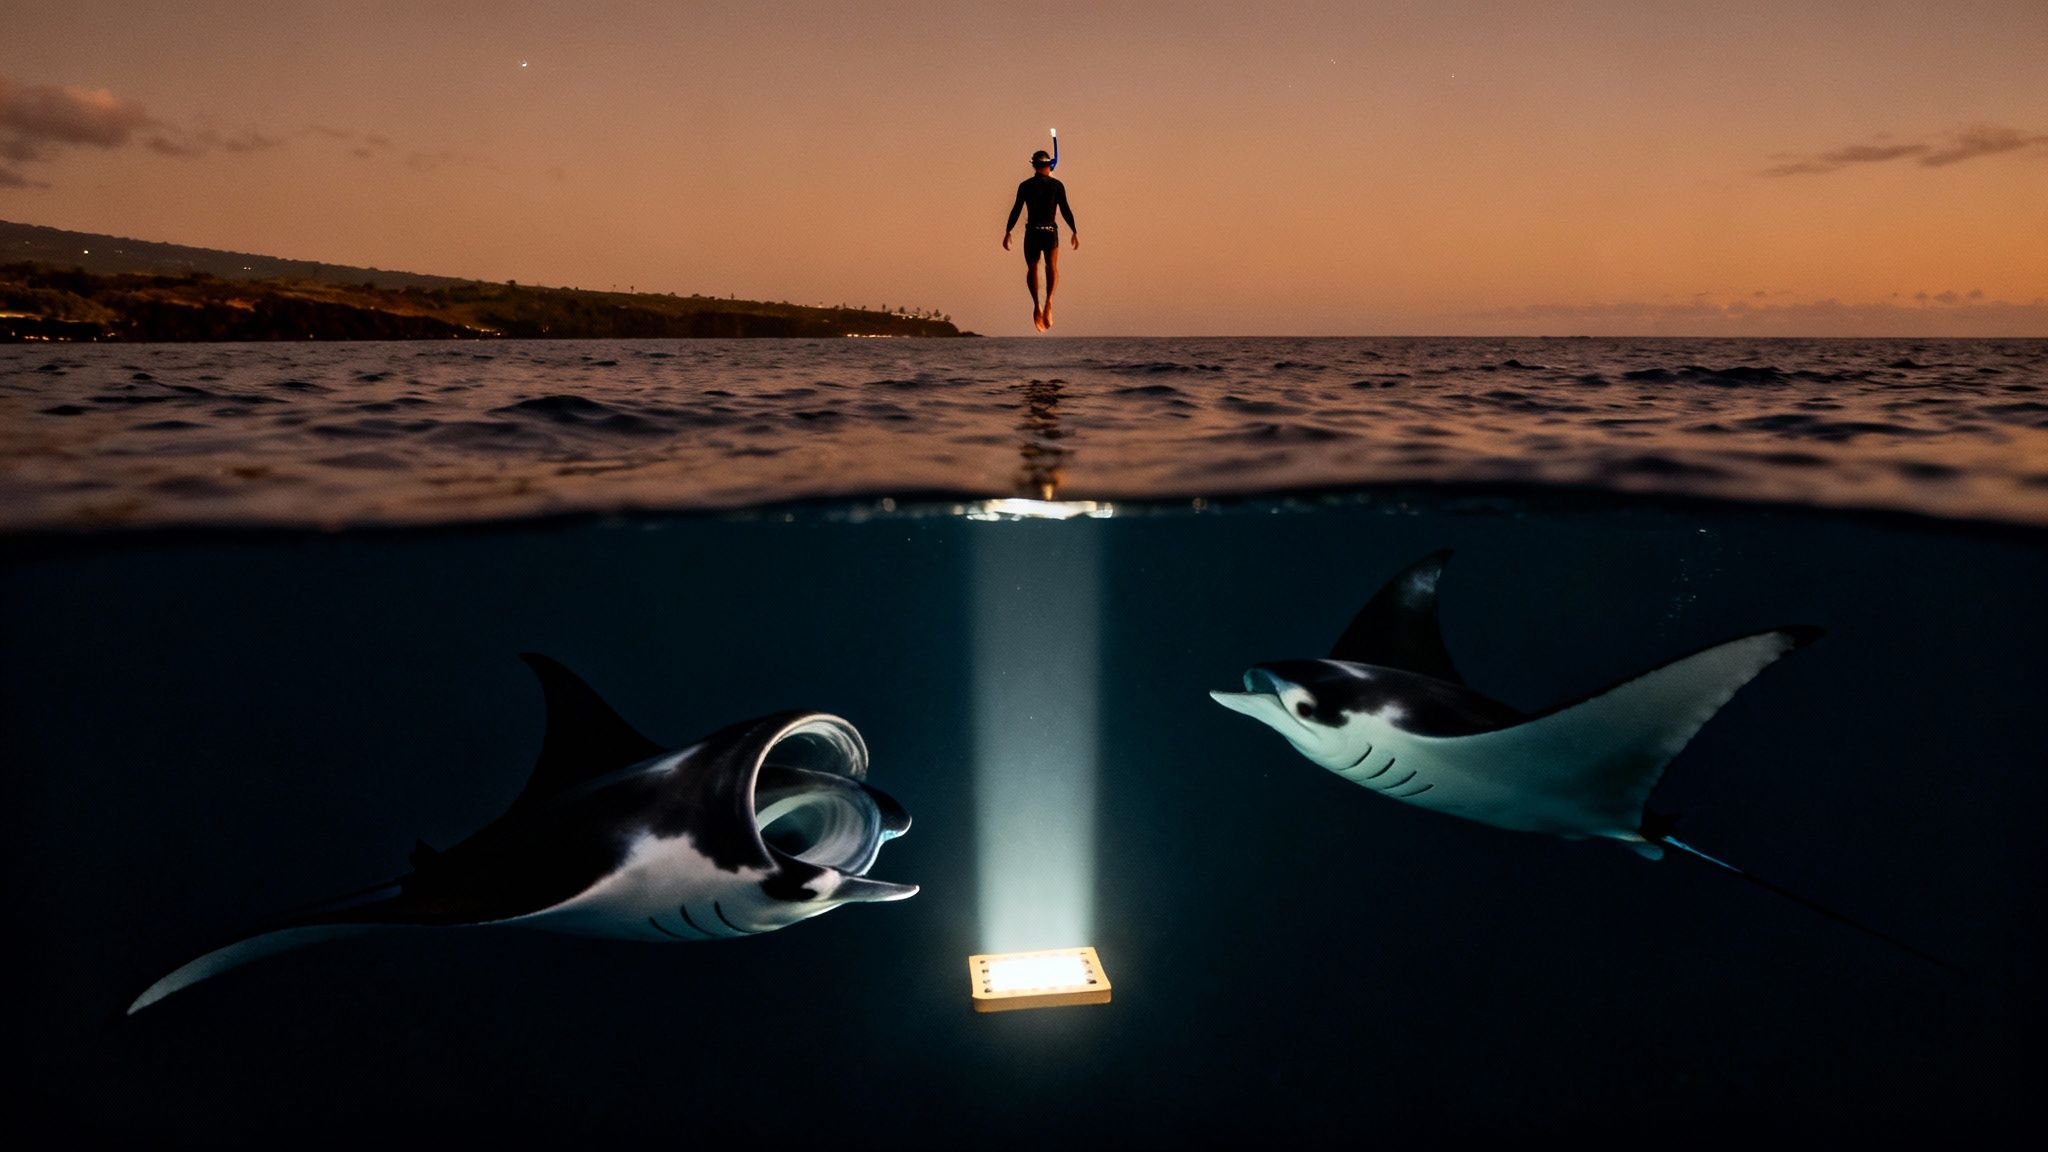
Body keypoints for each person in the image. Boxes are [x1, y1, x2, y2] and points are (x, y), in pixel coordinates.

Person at [1002, 150, 1079, 331]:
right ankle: (1049, 302)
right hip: (1050, 231)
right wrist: (1074, 231)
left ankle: (1037, 305)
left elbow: (1016, 210)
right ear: (1048, 166)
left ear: (1034, 166)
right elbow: (1066, 210)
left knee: (1033, 267)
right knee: (1051, 266)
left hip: (1033, 232)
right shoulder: (1057, 185)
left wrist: (1008, 231)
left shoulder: (1025, 185)